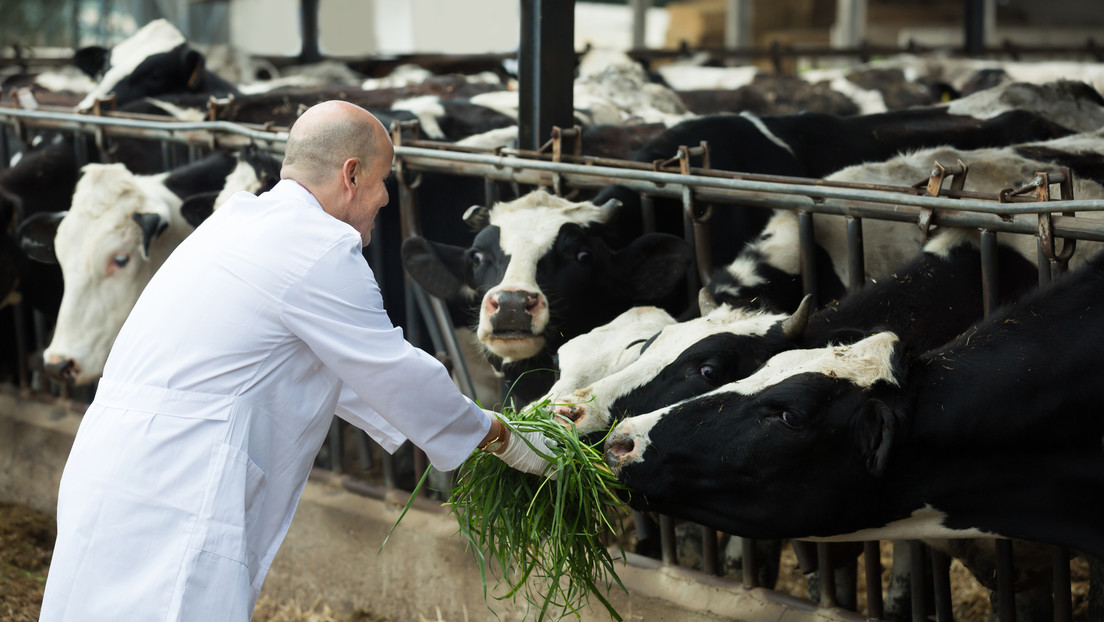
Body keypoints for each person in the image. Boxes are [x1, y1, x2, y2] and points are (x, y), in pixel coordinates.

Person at [39, 100, 556, 621]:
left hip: (112, 458)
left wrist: (446, 424)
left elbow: (338, 370)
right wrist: (504, 439)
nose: (383, 199)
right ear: (351, 175)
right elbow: (390, 370)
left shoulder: (235, 222)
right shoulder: (319, 248)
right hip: (182, 477)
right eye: (382, 181)